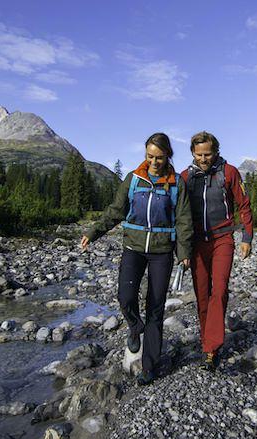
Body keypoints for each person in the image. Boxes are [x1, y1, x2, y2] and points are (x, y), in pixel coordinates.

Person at [81, 132, 191, 385]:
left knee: (156, 306)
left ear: (168, 156)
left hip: (162, 251)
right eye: (150, 156)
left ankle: (149, 366)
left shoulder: (176, 184)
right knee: (125, 296)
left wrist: (184, 253)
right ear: (145, 155)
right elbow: (115, 211)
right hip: (133, 247)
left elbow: (184, 220)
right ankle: (134, 326)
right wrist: (93, 232)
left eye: (159, 157)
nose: (154, 162)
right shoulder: (133, 180)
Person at [180, 131, 253, 371]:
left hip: (223, 239)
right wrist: (180, 248)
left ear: (216, 151)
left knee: (219, 291)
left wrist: (247, 237)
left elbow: (244, 204)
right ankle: (206, 341)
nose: (203, 159)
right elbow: (178, 215)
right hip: (196, 244)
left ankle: (211, 348)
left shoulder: (229, 172)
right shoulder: (185, 177)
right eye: (199, 154)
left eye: (208, 154)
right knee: (202, 295)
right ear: (192, 153)